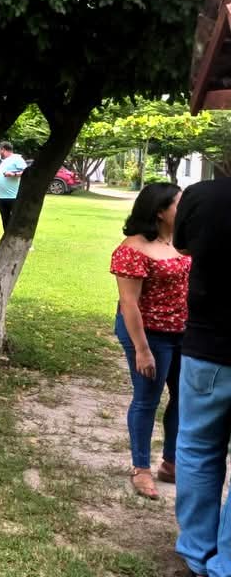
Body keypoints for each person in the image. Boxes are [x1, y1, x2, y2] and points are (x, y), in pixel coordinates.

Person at [109, 183, 188, 499]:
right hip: (148, 333)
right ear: (159, 211)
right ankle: (140, 469)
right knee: (147, 398)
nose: (185, 209)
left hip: (183, 331)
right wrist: (142, 350)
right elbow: (129, 304)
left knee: (184, 396)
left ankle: (170, 462)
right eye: (179, 204)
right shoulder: (133, 249)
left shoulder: (180, 240)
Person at [173, 175, 231, 577]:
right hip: (206, 345)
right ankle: (226, 563)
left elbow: (182, 246)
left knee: (197, 447)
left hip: (207, 346)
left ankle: (197, 550)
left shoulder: (202, 196)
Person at [0, 141, 25, 231]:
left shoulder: (17, 158)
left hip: (13, 197)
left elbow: (26, 172)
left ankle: (17, 237)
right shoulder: (4, 162)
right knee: (5, 221)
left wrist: (13, 174)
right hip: (1, 197)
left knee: (15, 221)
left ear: (3, 149)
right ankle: (6, 238)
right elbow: (0, 178)